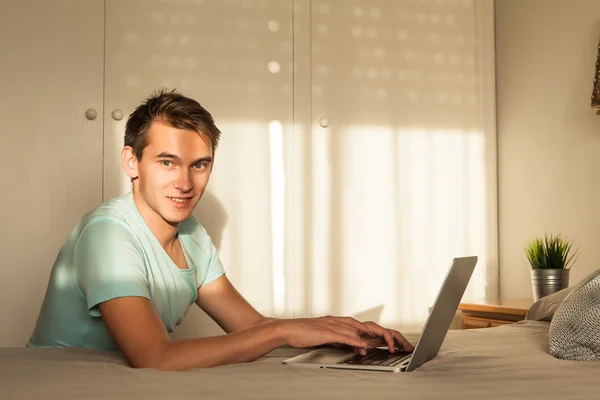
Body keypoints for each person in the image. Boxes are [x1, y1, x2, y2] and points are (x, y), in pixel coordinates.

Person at [27, 89, 413, 371]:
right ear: (132, 162)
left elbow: (252, 326)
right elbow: (154, 357)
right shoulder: (107, 235)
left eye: (199, 165)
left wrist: (337, 330)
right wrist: (283, 333)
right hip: (62, 382)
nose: (185, 182)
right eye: (167, 162)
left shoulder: (191, 233)